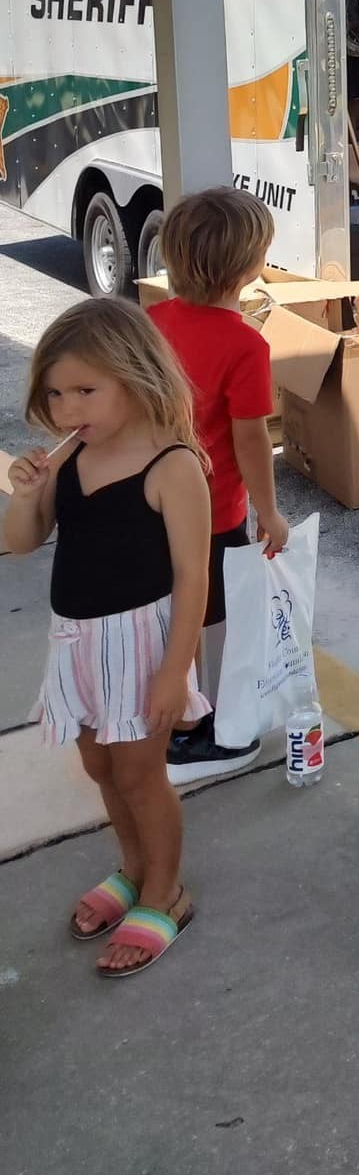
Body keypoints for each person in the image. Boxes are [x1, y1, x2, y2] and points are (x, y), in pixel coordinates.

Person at [5, 297, 211, 978]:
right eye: (55, 394)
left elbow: (193, 577)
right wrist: (25, 495)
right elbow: (21, 543)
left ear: (135, 375)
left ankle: (165, 890)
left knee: (139, 773)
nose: (67, 410)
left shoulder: (172, 465)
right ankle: (133, 866)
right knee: (99, 766)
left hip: (141, 645)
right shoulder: (69, 461)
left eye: (85, 392)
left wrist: (174, 671)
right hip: (77, 642)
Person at [148, 187, 288, 784]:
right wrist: (270, 512)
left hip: (150, 504)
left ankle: (170, 717)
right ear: (250, 266)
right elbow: (250, 439)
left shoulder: (150, 323)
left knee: (163, 612)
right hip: (212, 512)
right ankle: (186, 733)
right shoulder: (245, 344)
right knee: (203, 620)